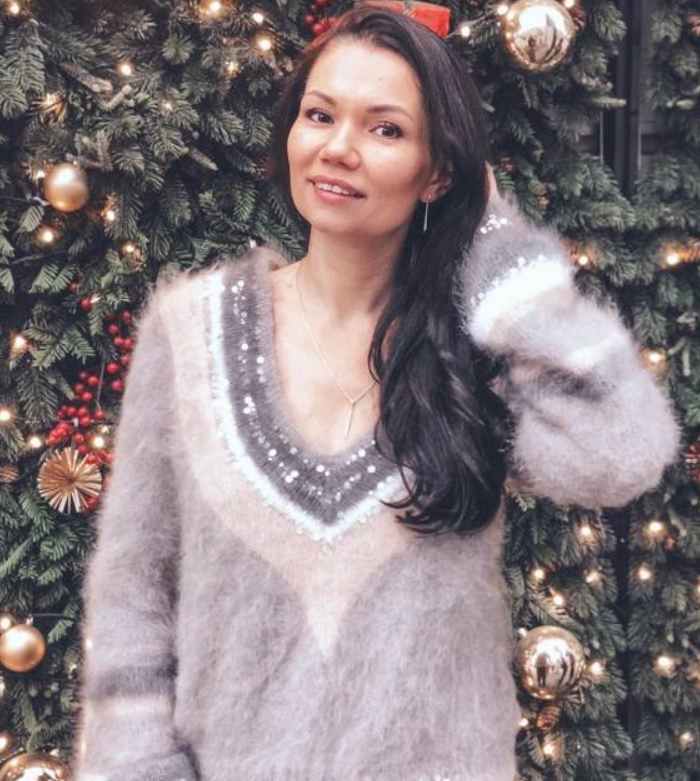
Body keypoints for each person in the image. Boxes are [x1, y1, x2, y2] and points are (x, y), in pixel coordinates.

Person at [69, 6, 682, 781]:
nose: (338, 148)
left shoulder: (475, 352)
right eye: (319, 115)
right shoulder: (189, 331)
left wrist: (494, 242)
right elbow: (132, 601)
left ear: (438, 171)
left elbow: (622, 453)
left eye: (385, 129)